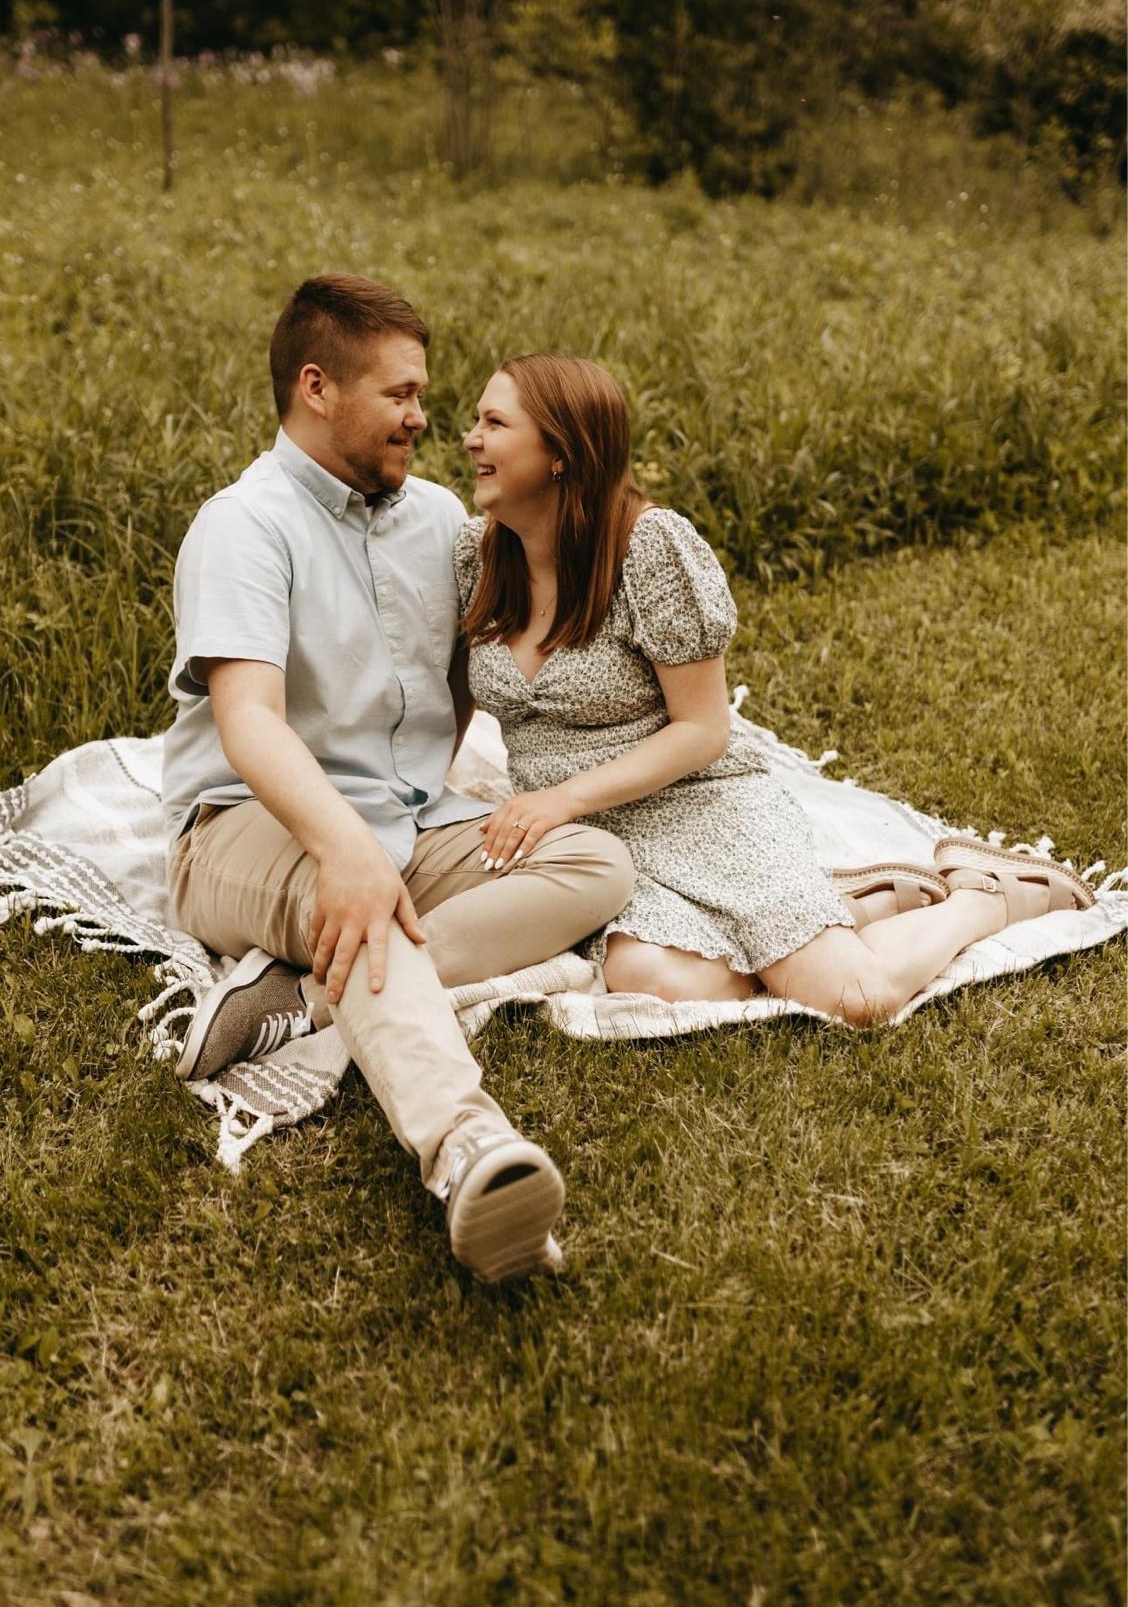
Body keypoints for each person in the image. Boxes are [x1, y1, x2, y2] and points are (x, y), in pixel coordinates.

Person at [160, 280, 635, 1283]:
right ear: (317, 388)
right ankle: (465, 1149)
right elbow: (249, 722)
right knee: (368, 907)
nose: (425, 417)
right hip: (247, 827)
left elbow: (468, 675)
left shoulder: (438, 520)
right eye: (400, 394)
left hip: (415, 817)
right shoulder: (243, 526)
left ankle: (306, 996)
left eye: (424, 393)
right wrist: (345, 850)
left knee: (594, 864)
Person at [456, 354, 1094, 1024]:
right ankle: (842, 909)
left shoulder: (649, 548)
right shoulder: (476, 557)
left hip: (692, 804)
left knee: (857, 999)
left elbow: (703, 729)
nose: (471, 438)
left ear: (562, 453)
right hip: (589, 839)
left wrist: (561, 798)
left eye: (494, 423)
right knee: (649, 977)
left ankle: (986, 894)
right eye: (476, 421)